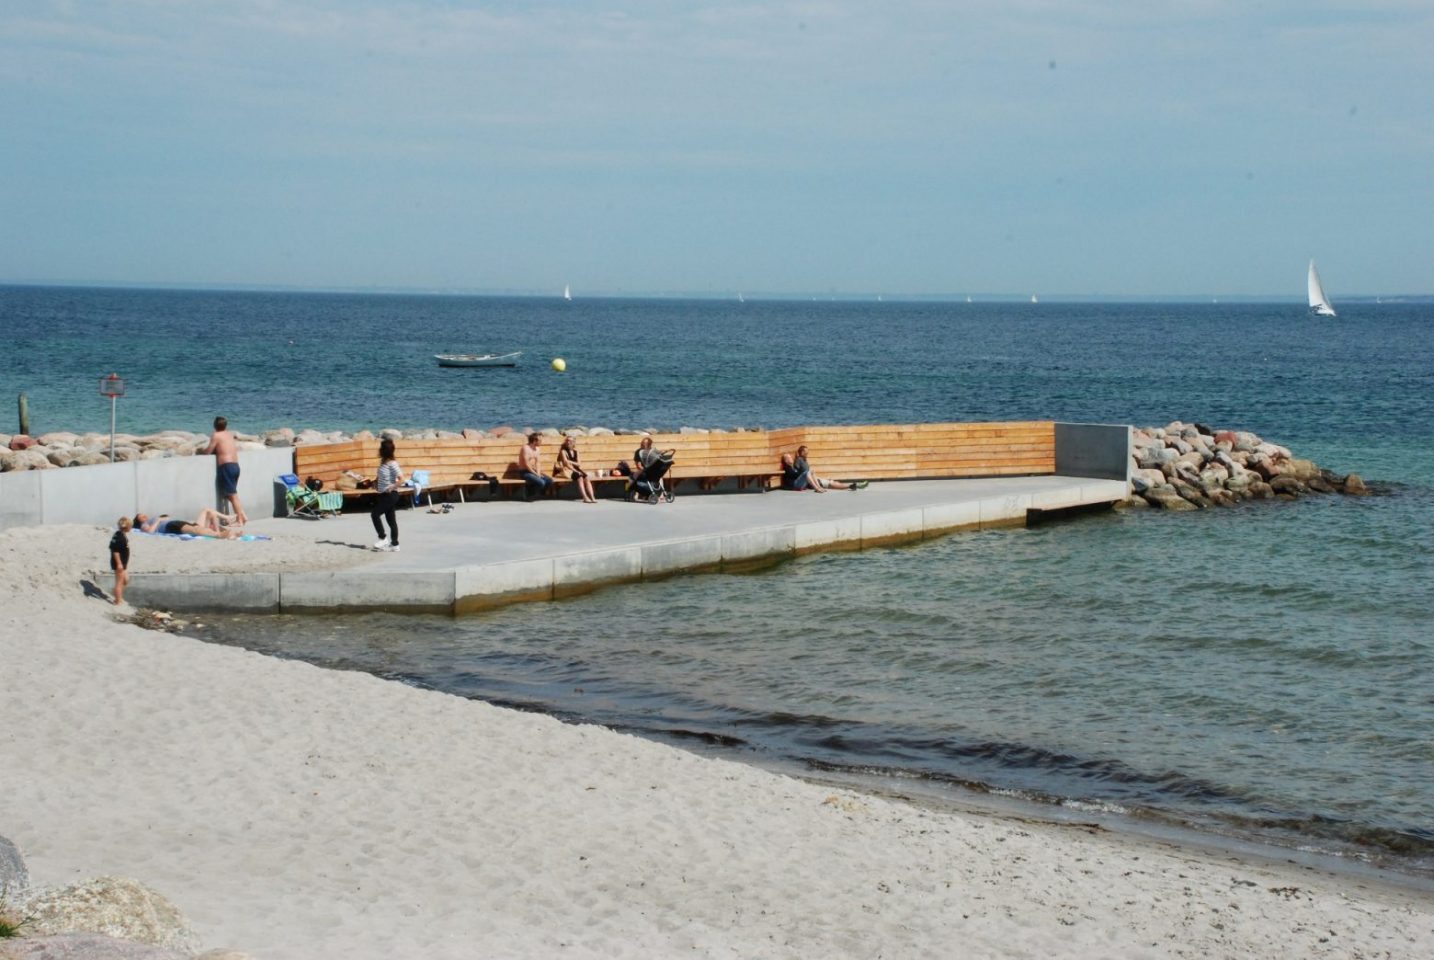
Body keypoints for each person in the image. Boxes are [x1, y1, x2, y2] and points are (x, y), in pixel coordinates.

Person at [202, 416, 248, 525]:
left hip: (226, 466)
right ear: (226, 425)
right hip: (235, 466)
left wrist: (200, 452)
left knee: (232, 495)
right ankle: (243, 515)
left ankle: (240, 520)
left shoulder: (216, 435)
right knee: (230, 494)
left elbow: (209, 451)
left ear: (214, 425)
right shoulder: (229, 435)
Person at [785, 446, 868, 493]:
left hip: (813, 480)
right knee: (831, 483)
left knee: (832, 482)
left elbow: (798, 471)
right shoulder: (799, 460)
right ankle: (851, 485)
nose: (808, 452)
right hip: (809, 482)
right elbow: (797, 473)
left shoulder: (803, 460)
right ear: (802, 452)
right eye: (806, 451)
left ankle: (851, 485)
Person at [371, 438, 405, 552]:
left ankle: (383, 538)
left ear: (385, 451)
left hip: (390, 495)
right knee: (391, 520)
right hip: (382, 495)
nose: (379, 450)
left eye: (381, 448)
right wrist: (375, 482)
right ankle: (395, 545)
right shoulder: (383, 462)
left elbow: (401, 480)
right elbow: (381, 476)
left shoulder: (393, 464)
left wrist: (392, 487)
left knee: (375, 514)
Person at [134, 508, 242, 538]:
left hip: (177, 523)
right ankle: (218, 534)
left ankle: (226, 522)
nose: (144, 516)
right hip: (171, 526)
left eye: (143, 514)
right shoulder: (144, 524)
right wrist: (158, 520)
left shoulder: (152, 519)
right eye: (141, 516)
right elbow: (150, 533)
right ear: (139, 521)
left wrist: (163, 517)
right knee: (196, 530)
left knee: (206, 510)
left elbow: (168, 517)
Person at [555, 435, 597, 503]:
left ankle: (592, 497)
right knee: (580, 478)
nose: (568, 442)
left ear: (574, 443)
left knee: (587, 478)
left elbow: (579, 464)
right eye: (567, 440)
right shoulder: (563, 451)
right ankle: (585, 497)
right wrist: (576, 469)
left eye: (570, 441)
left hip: (577, 469)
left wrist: (570, 462)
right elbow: (566, 463)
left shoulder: (576, 452)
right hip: (569, 470)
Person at [519, 433, 555, 500]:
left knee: (550, 481)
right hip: (524, 472)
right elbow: (527, 465)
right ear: (534, 441)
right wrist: (536, 474)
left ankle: (539, 491)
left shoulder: (537, 449)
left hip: (534, 470)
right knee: (541, 482)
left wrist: (538, 473)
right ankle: (528, 492)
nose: (541, 442)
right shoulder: (525, 448)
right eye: (540, 440)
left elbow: (538, 462)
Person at [109, 516, 131, 605]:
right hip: (120, 563)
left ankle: (118, 595)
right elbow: (115, 551)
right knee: (119, 582)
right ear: (128, 527)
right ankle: (118, 601)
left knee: (125, 580)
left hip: (123, 562)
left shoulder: (118, 534)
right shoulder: (120, 537)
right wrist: (119, 564)